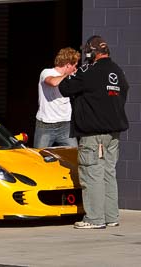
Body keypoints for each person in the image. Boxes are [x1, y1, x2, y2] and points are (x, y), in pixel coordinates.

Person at [59, 35, 129, 229]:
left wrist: (70, 73)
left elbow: (64, 88)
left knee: (92, 174)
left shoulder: (88, 70)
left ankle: (94, 219)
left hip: (93, 134)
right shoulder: (118, 71)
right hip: (113, 133)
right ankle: (110, 216)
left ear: (92, 52)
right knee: (108, 173)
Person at [34, 47, 81, 148]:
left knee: (74, 156)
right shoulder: (47, 72)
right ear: (68, 65)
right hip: (46, 124)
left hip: (65, 124)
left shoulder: (71, 76)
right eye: (75, 65)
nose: (75, 69)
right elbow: (53, 82)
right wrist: (67, 75)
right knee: (39, 157)